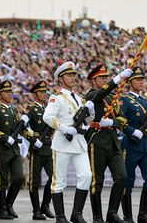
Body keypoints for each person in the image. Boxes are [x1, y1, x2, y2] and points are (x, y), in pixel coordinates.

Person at [43, 62, 94, 223]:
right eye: (69, 75)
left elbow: (87, 121)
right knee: (59, 181)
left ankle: (76, 213)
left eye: (74, 75)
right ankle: (60, 216)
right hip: (63, 143)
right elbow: (48, 117)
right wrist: (65, 129)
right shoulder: (56, 97)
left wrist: (91, 113)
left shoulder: (79, 98)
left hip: (79, 143)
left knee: (86, 176)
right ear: (61, 78)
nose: (73, 78)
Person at [86, 64, 132, 223]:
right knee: (96, 182)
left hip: (113, 141)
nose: (105, 80)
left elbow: (123, 118)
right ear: (93, 80)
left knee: (122, 177)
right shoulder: (92, 95)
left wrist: (111, 122)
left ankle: (112, 212)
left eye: (106, 77)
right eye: (102, 78)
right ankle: (97, 217)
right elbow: (100, 93)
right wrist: (117, 79)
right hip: (97, 141)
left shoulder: (112, 97)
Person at [118, 67, 147, 223]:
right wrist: (131, 131)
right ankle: (128, 217)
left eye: (142, 79)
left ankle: (143, 215)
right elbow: (119, 121)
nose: (141, 81)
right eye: (137, 79)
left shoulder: (146, 101)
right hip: (131, 145)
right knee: (127, 181)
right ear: (130, 82)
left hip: (146, 146)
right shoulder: (125, 100)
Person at [0, 80, 27, 220]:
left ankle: (9, 204)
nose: (10, 94)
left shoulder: (14, 109)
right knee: (2, 181)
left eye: (11, 92)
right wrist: (5, 138)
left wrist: (24, 123)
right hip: (2, 148)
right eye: (7, 92)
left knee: (18, 177)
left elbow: (20, 128)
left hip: (14, 149)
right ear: (0, 94)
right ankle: (2, 210)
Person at [26, 81, 55, 220]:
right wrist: (33, 140)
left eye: (45, 92)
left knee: (54, 177)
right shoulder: (31, 109)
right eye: (42, 92)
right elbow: (23, 127)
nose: (44, 94)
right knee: (34, 181)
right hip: (37, 147)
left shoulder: (48, 109)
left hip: (48, 146)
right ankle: (36, 210)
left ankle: (45, 205)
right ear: (35, 94)